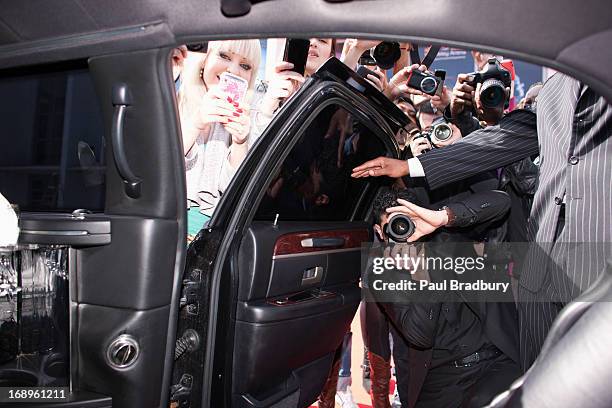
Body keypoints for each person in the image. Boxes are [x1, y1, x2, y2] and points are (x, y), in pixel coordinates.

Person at [351, 68, 612, 371]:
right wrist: (410, 166)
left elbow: (499, 198)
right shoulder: (556, 90)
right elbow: (504, 138)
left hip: (599, 263)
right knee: (544, 380)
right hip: (540, 275)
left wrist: (443, 216)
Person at [367, 185, 520, 408]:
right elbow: (420, 336)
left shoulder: (446, 237)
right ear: (380, 232)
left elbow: (502, 202)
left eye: (406, 222)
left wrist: (443, 217)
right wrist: (422, 276)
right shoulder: (382, 271)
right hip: (441, 378)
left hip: (494, 360)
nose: (403, 232)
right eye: (393, 226)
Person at [177, 40, 261, 239]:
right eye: (224, 56)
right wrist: (196, 123)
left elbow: (237, 193)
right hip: (169, 229)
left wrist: (240, 143)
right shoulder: (173, 100)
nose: (233, 70)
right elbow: (157, 168)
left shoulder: (245, 119)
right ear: (205, 59)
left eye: (245, 65)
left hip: (213, 237)